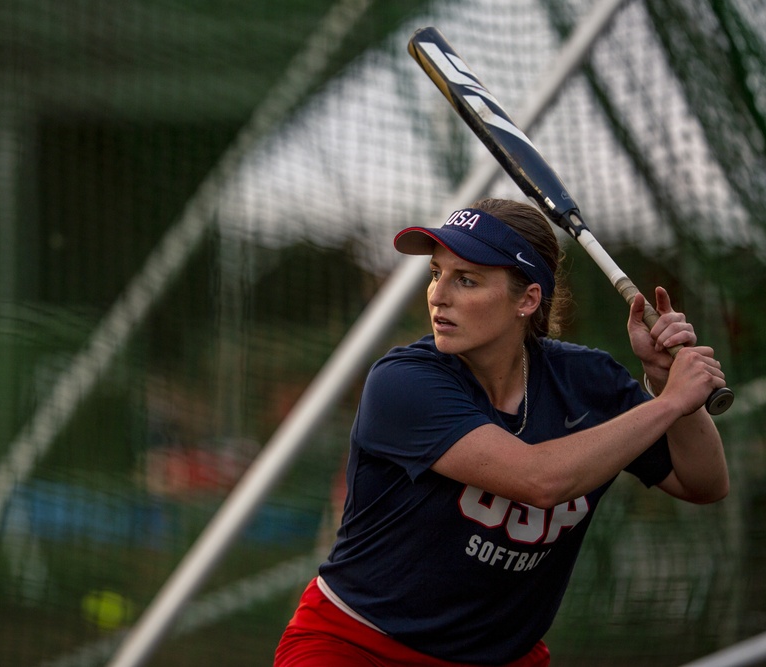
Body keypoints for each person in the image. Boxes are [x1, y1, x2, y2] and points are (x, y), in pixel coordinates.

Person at [274, 198, 729, 667]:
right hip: (360, 646)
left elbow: (705, 483)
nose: (437, 295)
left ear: (527, 299)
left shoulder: (587, 381)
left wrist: (667, 381)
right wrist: (671, 400)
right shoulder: (404, 381)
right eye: (436, 273)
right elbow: (540, 481)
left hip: (502, 657)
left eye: (466, 279)